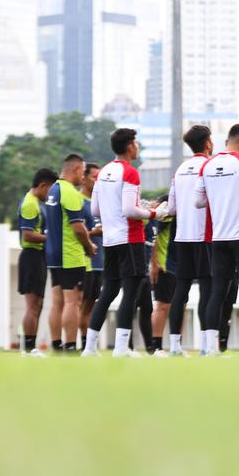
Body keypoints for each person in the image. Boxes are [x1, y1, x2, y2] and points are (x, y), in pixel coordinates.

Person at [84, 130, 160, 357]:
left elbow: (95, 209)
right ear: (129, 147)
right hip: (131, 239)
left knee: (108, 292)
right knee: (130, 293)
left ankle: (89, 348)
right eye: (136, 143)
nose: (137, 146)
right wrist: (154, 213)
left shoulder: (104, 171)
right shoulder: (130, 173)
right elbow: (130, 210)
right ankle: (120, 348)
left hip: (111, 240)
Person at [193, 123, 239, 356]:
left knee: (217, 291)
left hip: (218, 237)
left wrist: (219, 197)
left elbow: (198, 202)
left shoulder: (207, 164)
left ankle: (212, 347)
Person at [166, 125, 215, 357]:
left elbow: (172, 208)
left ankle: (175, 346)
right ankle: (206, 346)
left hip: (182, 236)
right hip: (204, 236)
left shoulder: (180, 169)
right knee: (206, 290)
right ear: (207, 144)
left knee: (180, 291)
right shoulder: (209, 166)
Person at [43, 155, 94, 354]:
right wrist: (89, 247)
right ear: (75, 169)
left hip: (53, 255)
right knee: (74, 302)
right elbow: (79, 229)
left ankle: (57, 345)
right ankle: (71, 346)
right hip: (70, 255)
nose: (83, 175)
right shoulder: (70, 192)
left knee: (57, 302)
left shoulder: (53, 190)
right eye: (82, 171)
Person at [17, 168, 57, 355]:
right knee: (32, 305)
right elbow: (28, 235)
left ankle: (31, 346)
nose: (50, 194)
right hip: (31, 256)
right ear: (43, 185)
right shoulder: (30, 204)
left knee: (38, 304)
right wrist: (52, 238)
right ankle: (29, 348)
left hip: (39, 257)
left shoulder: (38, 203)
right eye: (50, 189)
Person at [78, 163, 104, 350]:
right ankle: (81, 344)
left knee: (92, 305)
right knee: (81, 304)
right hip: (84, 261)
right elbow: (76, 230)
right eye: (95, 177)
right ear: (84, 178)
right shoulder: (78, 201)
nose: (98, 181)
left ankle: (90, 345)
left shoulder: (101, 202)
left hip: (101, 261)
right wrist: (95, 232)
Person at [146, 199, 175, 356]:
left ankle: (176, 345)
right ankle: (156, 345)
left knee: (179, 306)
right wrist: (154, 262)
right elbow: (156, 238)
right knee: (162, 305)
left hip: (179, 266)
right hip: (164, 265)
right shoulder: (166, 215)